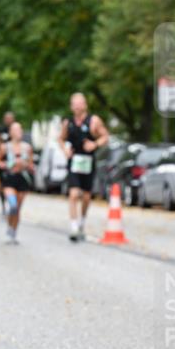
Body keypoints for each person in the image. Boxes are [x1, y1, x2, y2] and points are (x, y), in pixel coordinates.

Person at [59, 92, 109, 241]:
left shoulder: (93, 121)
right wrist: (65, 149)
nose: (77, 106)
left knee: (86, 196)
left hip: (88, 161)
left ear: (85, 104)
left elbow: (105, 136)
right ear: (71, 106)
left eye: (79, 103)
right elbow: (60, 139)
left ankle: (82, 222)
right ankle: (74, 227)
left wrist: (95, 144)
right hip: (74, 161)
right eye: (74, 104)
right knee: (74, 194)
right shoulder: (68, 123)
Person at [0, 122, 35, 244]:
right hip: (10, 178)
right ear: (11, 132)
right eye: (15, 130)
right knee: (12, 205)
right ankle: (9, 226)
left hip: (23, 179)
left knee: (17, 208)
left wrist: (26, 165)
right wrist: (6, 165)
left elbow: (31, 165)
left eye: (20, 129)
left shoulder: (27, 147)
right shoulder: (5, 147)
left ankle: (13, 232)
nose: (18, 132)